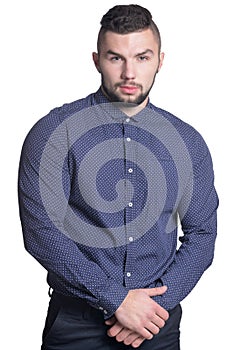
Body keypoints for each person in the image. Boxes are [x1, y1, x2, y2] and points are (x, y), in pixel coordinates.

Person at [18, 4, 218, 350]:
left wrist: (152, 309)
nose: (129, 72)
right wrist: (118, 301)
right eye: (116, 58)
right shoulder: (53, 133)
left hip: (157, 324)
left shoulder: (187, 142)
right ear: (96, 60)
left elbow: (203, 233)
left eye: (142, 57)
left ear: (160, 60)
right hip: (76, 324)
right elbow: (41, 232)